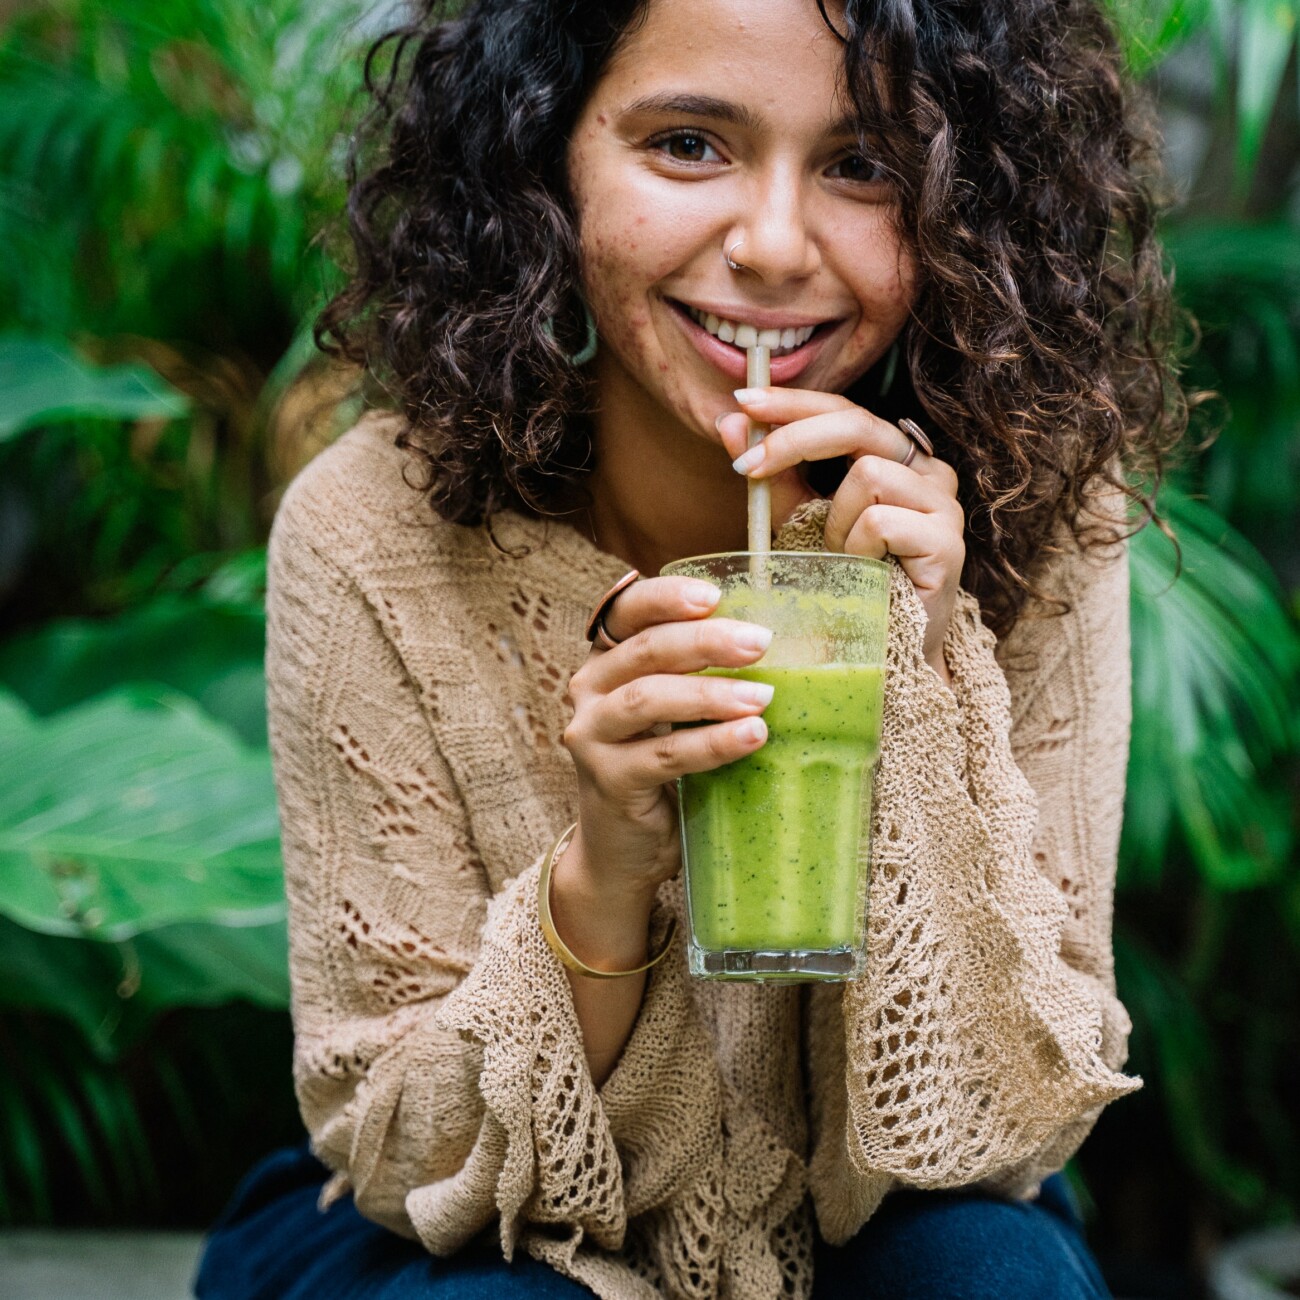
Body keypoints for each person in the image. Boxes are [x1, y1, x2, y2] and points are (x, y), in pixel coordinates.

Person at [195, 0, 1186, 1295]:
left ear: (962, 197)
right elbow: (402, 1146)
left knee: (997, 1268)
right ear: (544, 154)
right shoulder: (376, 531)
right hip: (480, 1219)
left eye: (865, 164)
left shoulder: (1039, 510)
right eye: (688, 146)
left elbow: (1008, 1120)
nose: (772, 247)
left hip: (885, 1198)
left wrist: (925, 678)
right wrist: (602, 872)